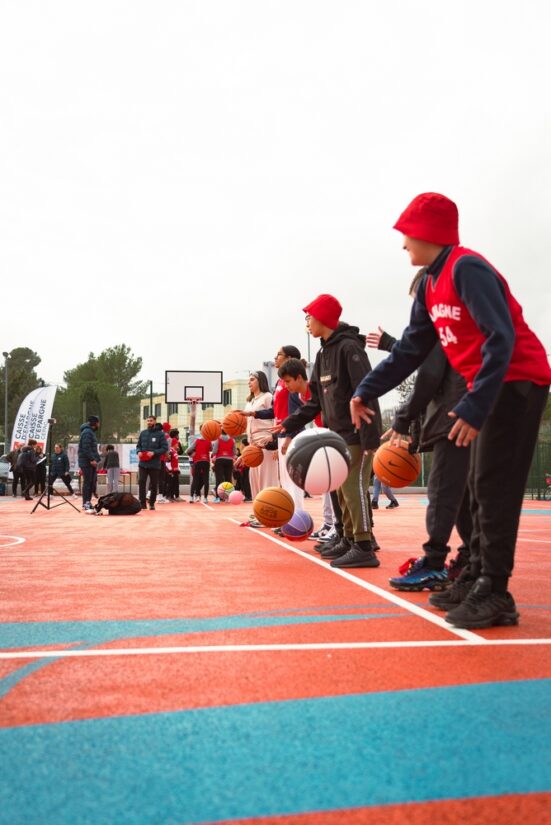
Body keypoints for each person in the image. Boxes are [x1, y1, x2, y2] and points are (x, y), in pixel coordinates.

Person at [351, 192, 551, 627]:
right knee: (475, 488)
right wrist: (367, 389)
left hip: (517, 382)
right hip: (485, 387)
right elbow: (410, 350)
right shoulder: (428, 284)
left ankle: (495, 591)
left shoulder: (467, 269)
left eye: (407, 233)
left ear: (428, 232)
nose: (403, 243)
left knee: (494, 488)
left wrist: (475, 404)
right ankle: (476, 573)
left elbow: (501, 337)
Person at [367, 272, 472, 592]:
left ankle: (438, 564)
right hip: (461, 410)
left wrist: (403, 420)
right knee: (463, 495)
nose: (416, 310)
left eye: (417, 302)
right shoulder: (452, 326)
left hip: (457, 414)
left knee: (446, 492)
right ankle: (471, 559)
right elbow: (424, 357)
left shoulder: (446, 321)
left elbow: (428, 367)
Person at [279, 294, 382, 568]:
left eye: (309, 317)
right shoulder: (323, 353)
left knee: (352, 487)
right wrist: (289, 423)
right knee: (340, 489)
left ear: (323, 318)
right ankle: (348, 538)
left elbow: (367, 390)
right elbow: (315, 401)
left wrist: (370, 437)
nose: (307, 323)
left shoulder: (350, 348)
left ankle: (364, 545)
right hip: (337, 435)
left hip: (357, 432)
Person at [276, 357, 336, 543]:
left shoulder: (314, 391)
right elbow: (304, 415)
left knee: (335, 484)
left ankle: (338, 525)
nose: (286, 385)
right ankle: (329, 523)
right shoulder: (300, 396)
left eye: (288, 381)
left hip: (334, 437)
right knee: (328, 485)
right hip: (324, 436)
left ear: (299, 378)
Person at [242, 371, 279, 499]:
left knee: (267, 480)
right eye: (249, 380)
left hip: (266, 442)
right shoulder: (249, 401)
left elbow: (276, 418)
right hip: (253, 445)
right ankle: (258, 509)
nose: (249, 382)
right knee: (255, 482)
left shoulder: (268, 397)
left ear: (260, 381)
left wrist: (276, 444)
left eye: (252, 379)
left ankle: (270, 507)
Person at [136, 415, 168, 511]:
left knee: (154, 484)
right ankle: (142, 503)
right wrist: (139, 452)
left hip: (154, 464)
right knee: (142, 482)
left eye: (151, 420)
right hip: (143, 464)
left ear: (155, 421)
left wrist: (154, 452)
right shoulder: (143, 433)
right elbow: (138, 446)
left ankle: (152, 503)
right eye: (148, 421)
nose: (149, 422)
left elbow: (164, 448)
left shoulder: (160, 434)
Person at [78, 416, 101, 512]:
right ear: (95, 423)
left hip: (90, 462)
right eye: (98, 423)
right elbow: (86, 447)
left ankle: (88, 502)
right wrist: (92, 459)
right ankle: (86, 503)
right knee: (87, 482)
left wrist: (96, 459)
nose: (99, 424)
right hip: (87, 462)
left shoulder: (90, 432)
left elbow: (92, 448)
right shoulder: (87, 432)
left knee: (91, 482)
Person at [211, 431, 237, 501]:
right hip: (229, 460)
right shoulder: (232, 440)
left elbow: (214, 451)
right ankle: (229, 496)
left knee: (219, 479)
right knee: (228, 479)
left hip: (220, 460)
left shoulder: (217, 439)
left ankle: (219, 497)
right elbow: (235, 452)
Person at [187, 433, 211, 503]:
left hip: (198, 461)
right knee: (206, 480)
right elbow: (211, 449)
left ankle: (191, 497)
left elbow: (188, 450)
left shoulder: (197, 441)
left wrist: (194, 453)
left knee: (195, 480)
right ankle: (205, 498)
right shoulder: (209, 441)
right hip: (206, 461)